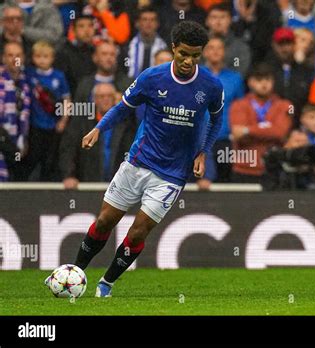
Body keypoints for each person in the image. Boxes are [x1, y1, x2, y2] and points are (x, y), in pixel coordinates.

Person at [47, 21, 224, 297]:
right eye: (184, 54)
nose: (189, 61)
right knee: (105, 220)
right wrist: (98, 127)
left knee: (139, 231)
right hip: (138, 162)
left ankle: (106, 285)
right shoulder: (152, 78)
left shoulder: (211, 86)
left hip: (172, 174)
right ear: (173, 48)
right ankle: (74, 273)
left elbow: (216, 119)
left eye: (196, 56)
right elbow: (121, 108)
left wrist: (204, 151)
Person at [59, 83, 136, 188]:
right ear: (94, 99)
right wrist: (69, 175)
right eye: (102, 96)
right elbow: (68, 151)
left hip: (119, 187)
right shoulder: (80, 123)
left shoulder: (126, 124)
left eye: (110, 96)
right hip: (87, 184)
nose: (106, 99)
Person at [229, 63, 292, 183]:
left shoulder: (285, 105)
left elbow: (280, 133)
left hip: (274, 170)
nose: (264, 84)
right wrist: (268, 130)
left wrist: (248, 130)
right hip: (243, 170)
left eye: (267, 79)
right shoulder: (238, 105)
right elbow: (238, 134)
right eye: (259, 80)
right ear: (250, 82)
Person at [17, 40, 70, 181]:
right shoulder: (29, 73)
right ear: (33, 57)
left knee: (50, 159)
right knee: (32, 157)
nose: (42, 60)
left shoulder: (58, 76)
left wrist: (64, 119)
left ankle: (47, 186)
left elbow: (66, 99)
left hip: (53, 125)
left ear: (52, 58)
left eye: (46, 57)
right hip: (34, 126)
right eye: (38, 56)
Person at [198, 35, 244, 188]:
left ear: (225, 52)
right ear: (204, 52)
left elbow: (240, 107)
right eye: (211, 48)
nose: (215, 52)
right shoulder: (195, 75)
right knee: (199, 182)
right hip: (199, 138)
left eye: (219, 48)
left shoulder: (235, 78)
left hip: (226, 138)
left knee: (224, 182)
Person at [265, 27, 315, 122]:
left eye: (288, 43)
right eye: (280, 44)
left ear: (294, 44)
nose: (284, 48)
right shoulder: (266, 70)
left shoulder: (306, 71)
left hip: (298, 124)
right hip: (271, 122)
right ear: (274, 45)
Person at [0, 42, 31, 181]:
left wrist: (22, 140)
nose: (14, 59)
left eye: (18, 55)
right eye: (10, 55)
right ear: (3, 58)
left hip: (17, 143)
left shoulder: (25, 83)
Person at [54, 14, 96, 96]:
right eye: (81, 26)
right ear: (73, 30)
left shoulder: (96, 52)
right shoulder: (63, 52)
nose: (87, 31)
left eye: (90, 26)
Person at [205, 3, 251, 77]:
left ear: (230, 20)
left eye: (223, 17)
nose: (218, 21)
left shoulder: (240, 47)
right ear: (207, 21)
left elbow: (240, 73)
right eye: (214, 17)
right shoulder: (198, 45)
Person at [123, 6, 167, 79]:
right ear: (137, 23)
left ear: (157, 24)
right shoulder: (127, 47)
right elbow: (122, 72)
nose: (148, 23)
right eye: (144, 19)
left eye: (152, 20)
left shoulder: (165, 48)